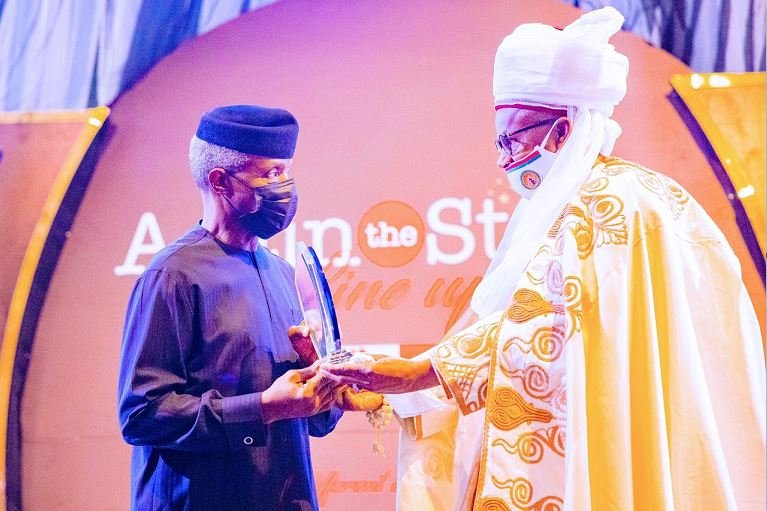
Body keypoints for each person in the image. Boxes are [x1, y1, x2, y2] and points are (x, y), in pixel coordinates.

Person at [323, 7, 766, 510]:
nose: (504, 158)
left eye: (513, 138)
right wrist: (407, 386)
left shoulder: (610, 202)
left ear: (563, 129)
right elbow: (523, 337)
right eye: (498, 142)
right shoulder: (582, 204)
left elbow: (547, 329)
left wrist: (422, 372)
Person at [117, 105, 379, 511]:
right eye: (271, 174)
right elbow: (143, 413)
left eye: (287, 172)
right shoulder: (173, 276)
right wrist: (261, 408)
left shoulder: (282, 274)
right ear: (220, 181)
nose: (284, 186)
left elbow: (307, 418)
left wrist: (328, 392)